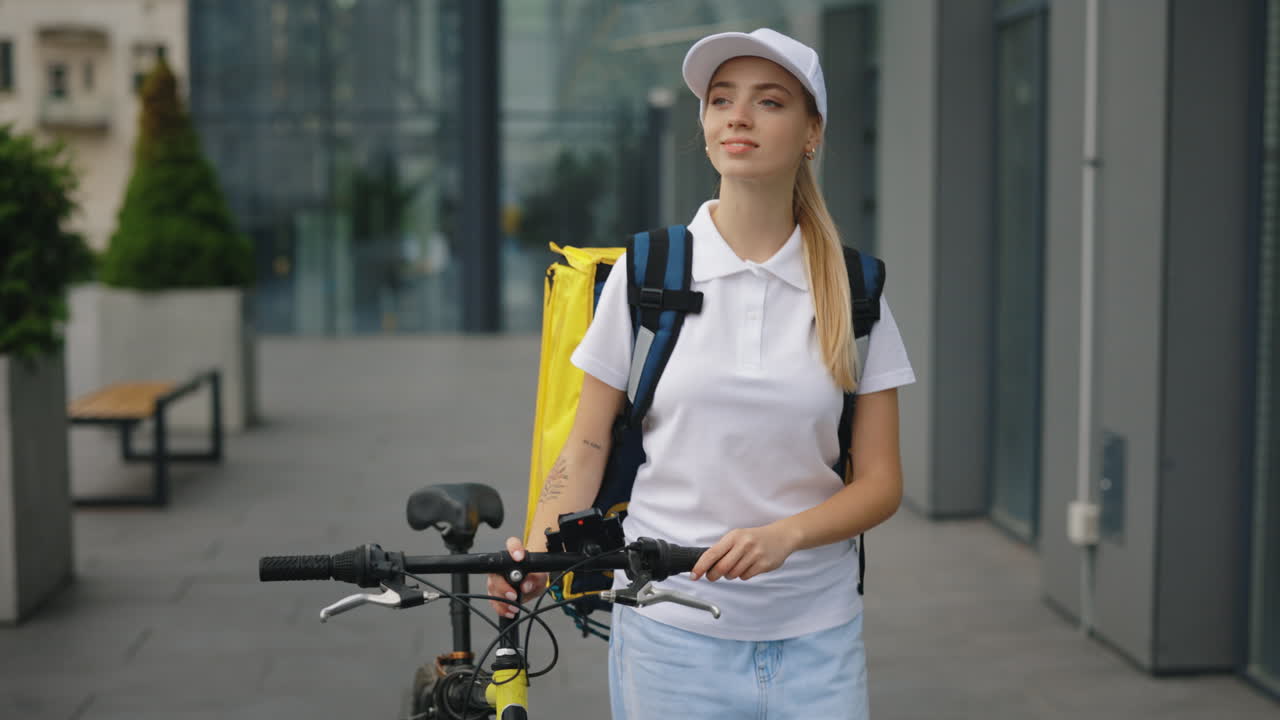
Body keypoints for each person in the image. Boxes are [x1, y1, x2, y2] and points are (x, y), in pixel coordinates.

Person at [489, 28, 915, 719]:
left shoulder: (854, 290)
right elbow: (588, 442)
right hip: (668, 634)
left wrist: (786, 535)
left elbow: (881, 484)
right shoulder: (647, 273)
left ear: (812, 134)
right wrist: (537, 552)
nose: (737, 117)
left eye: (768, 102)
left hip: (819, 638)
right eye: (721, 100)